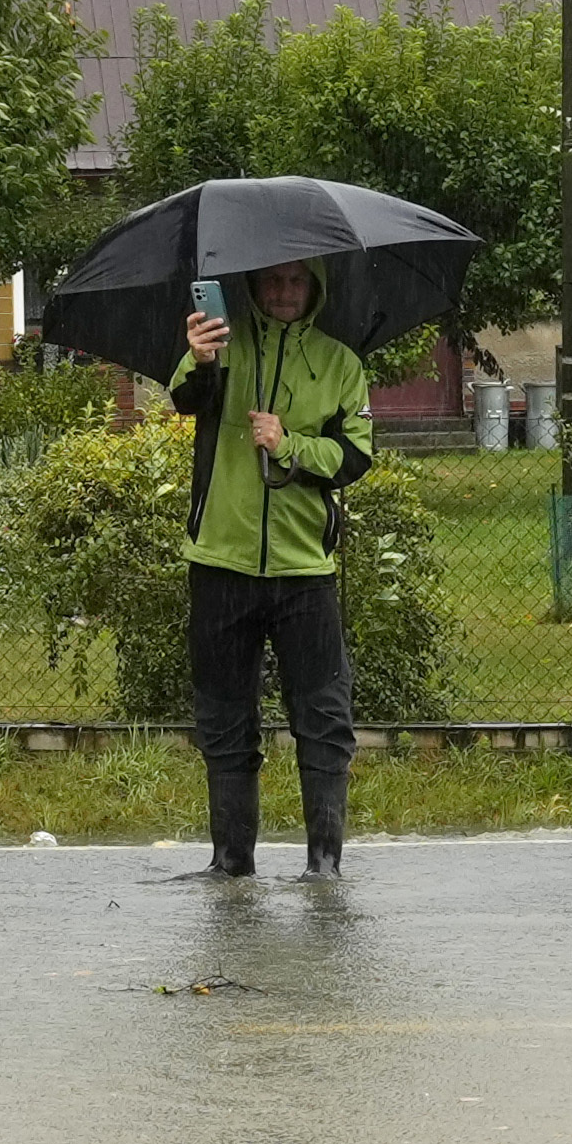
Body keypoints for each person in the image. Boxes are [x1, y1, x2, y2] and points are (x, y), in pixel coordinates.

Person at [169, 258, 377, 877]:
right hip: (220, 561)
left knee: (323, 719)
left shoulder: (341, 364)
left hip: (303, 570)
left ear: (315, 288)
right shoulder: (222, 347)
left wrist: (289, 444)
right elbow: (186, 402)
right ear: (253, 287)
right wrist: (199, 359)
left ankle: (324, 864)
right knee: (225, 719)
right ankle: (230, 861)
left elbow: (354, 457)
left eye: (298, 281)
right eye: (273, 281)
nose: (284, 293)